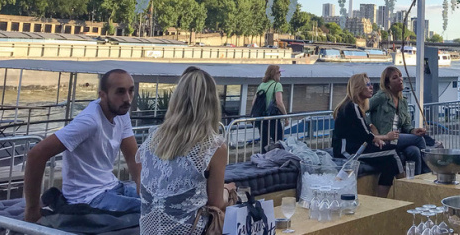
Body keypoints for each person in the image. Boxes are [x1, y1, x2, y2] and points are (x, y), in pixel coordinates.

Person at [24, 69, 141, 223]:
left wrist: (142, 189)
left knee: (161, 201)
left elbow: (133, 158)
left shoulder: (122, 113)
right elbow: (36, 154)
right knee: (152, 210)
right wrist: (32, 209)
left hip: (111, 186)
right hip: (88, 198)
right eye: (120, 92)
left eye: (130, 91)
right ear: (102, 95)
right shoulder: (89, 121)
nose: (127, 98)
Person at [139, 66, 233, 235]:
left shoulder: (153, 137)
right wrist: (228, 190)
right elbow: (216, 204)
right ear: (212, 104)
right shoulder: (213, 146)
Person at [331, 73, 403, 198]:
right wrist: (385, 137)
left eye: (371, 84)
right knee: (394, 151)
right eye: (368, 85)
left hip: (357, 147)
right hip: (348, 151)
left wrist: (376, 140)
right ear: (359, 87)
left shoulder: (354, 107)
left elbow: (362, 134)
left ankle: (382, 200)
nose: (371, 88)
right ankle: (407, 188)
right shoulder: (352, 106)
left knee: (390, 163)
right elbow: (366, 135)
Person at [370, 66, 428, 175]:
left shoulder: (403, 102)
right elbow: (364, 109)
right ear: (388, 84)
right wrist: (372, 127)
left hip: (397, 138)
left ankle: (415, 181)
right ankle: (426, 174)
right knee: (419, 140)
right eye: (395, 78)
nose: (400, 79)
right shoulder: (381, 97)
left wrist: (412, 131)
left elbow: (406, 125)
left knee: (414, 151)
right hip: (386, 138)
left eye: (400, 76)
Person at [255, 65, 287, 152]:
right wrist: (285, 117)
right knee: (279, 142)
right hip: (273, 118)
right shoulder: (277, 85)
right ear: (275, 74)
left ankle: (263, 161)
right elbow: (279, 103)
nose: (280, 74)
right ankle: (277, 160)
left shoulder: (261, 85)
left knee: (264, 143)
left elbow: (254, 102)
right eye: (279, 72)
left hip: (262, 119)